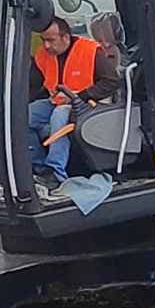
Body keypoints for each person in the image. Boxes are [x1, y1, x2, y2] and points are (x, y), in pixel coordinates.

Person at [28, 16, 118, 188]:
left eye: (51, 40)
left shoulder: (90, 51)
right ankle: (39, 168)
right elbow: (34, 84)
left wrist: (80, 96)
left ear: (65, 37)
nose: (46, 46)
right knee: (23, 116)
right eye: (43, 40)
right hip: (56, 101)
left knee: (59, 116)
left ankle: (56, 173)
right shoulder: (43, 55)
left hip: (88, 104)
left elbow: (112, 82)